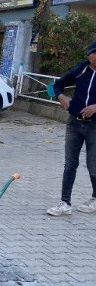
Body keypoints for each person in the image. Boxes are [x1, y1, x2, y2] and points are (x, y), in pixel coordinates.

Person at [46, 41, 96, 216]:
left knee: (93, 165)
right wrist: (61, 97)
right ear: (89, 55)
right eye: (94, 53)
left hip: (94, 126)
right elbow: (57, 84)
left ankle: (95, 199)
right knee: (70, 164)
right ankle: (64, 203)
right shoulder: (82, 69)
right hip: (74, 123)